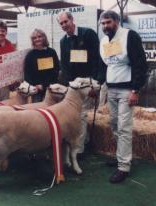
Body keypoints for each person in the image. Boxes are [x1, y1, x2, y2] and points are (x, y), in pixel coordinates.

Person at [99, 10, 147, 183]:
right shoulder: (104, 40)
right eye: (103, 23)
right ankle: (122, 156)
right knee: (114, 125)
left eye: (108, 22)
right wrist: (99, 83)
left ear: (117, 21)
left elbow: (140, 63)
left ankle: (124, 167)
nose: (105, 26)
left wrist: (135, 89)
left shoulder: (129, 36)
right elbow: (105, 65)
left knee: (124, 127)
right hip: (111, 89)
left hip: (127, 89)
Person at [57, 11, 101, 157]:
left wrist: (95, 82)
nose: (64, 25)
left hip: (89, 80)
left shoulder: (88, 34)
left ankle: (79, 149)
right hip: (74, 83)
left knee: (81, 114)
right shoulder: (63, 41)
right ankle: (84, 141)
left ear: (72, 20)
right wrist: (70, 84)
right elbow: (64, 65)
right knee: (78, 114)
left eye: (65, 22)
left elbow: (97, 58)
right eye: (61, 23)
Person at [24, 29, 60, 102]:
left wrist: (46, 85)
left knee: (52, 109)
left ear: (44, 37)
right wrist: (34, 86)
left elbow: (56, 69)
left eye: (39, 36)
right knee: (37, 111)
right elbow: (27, 73)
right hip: (37, 90)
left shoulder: (51, 52)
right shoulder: (30, 55)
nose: (37, 39)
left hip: (51, 87)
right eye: (34, 38)